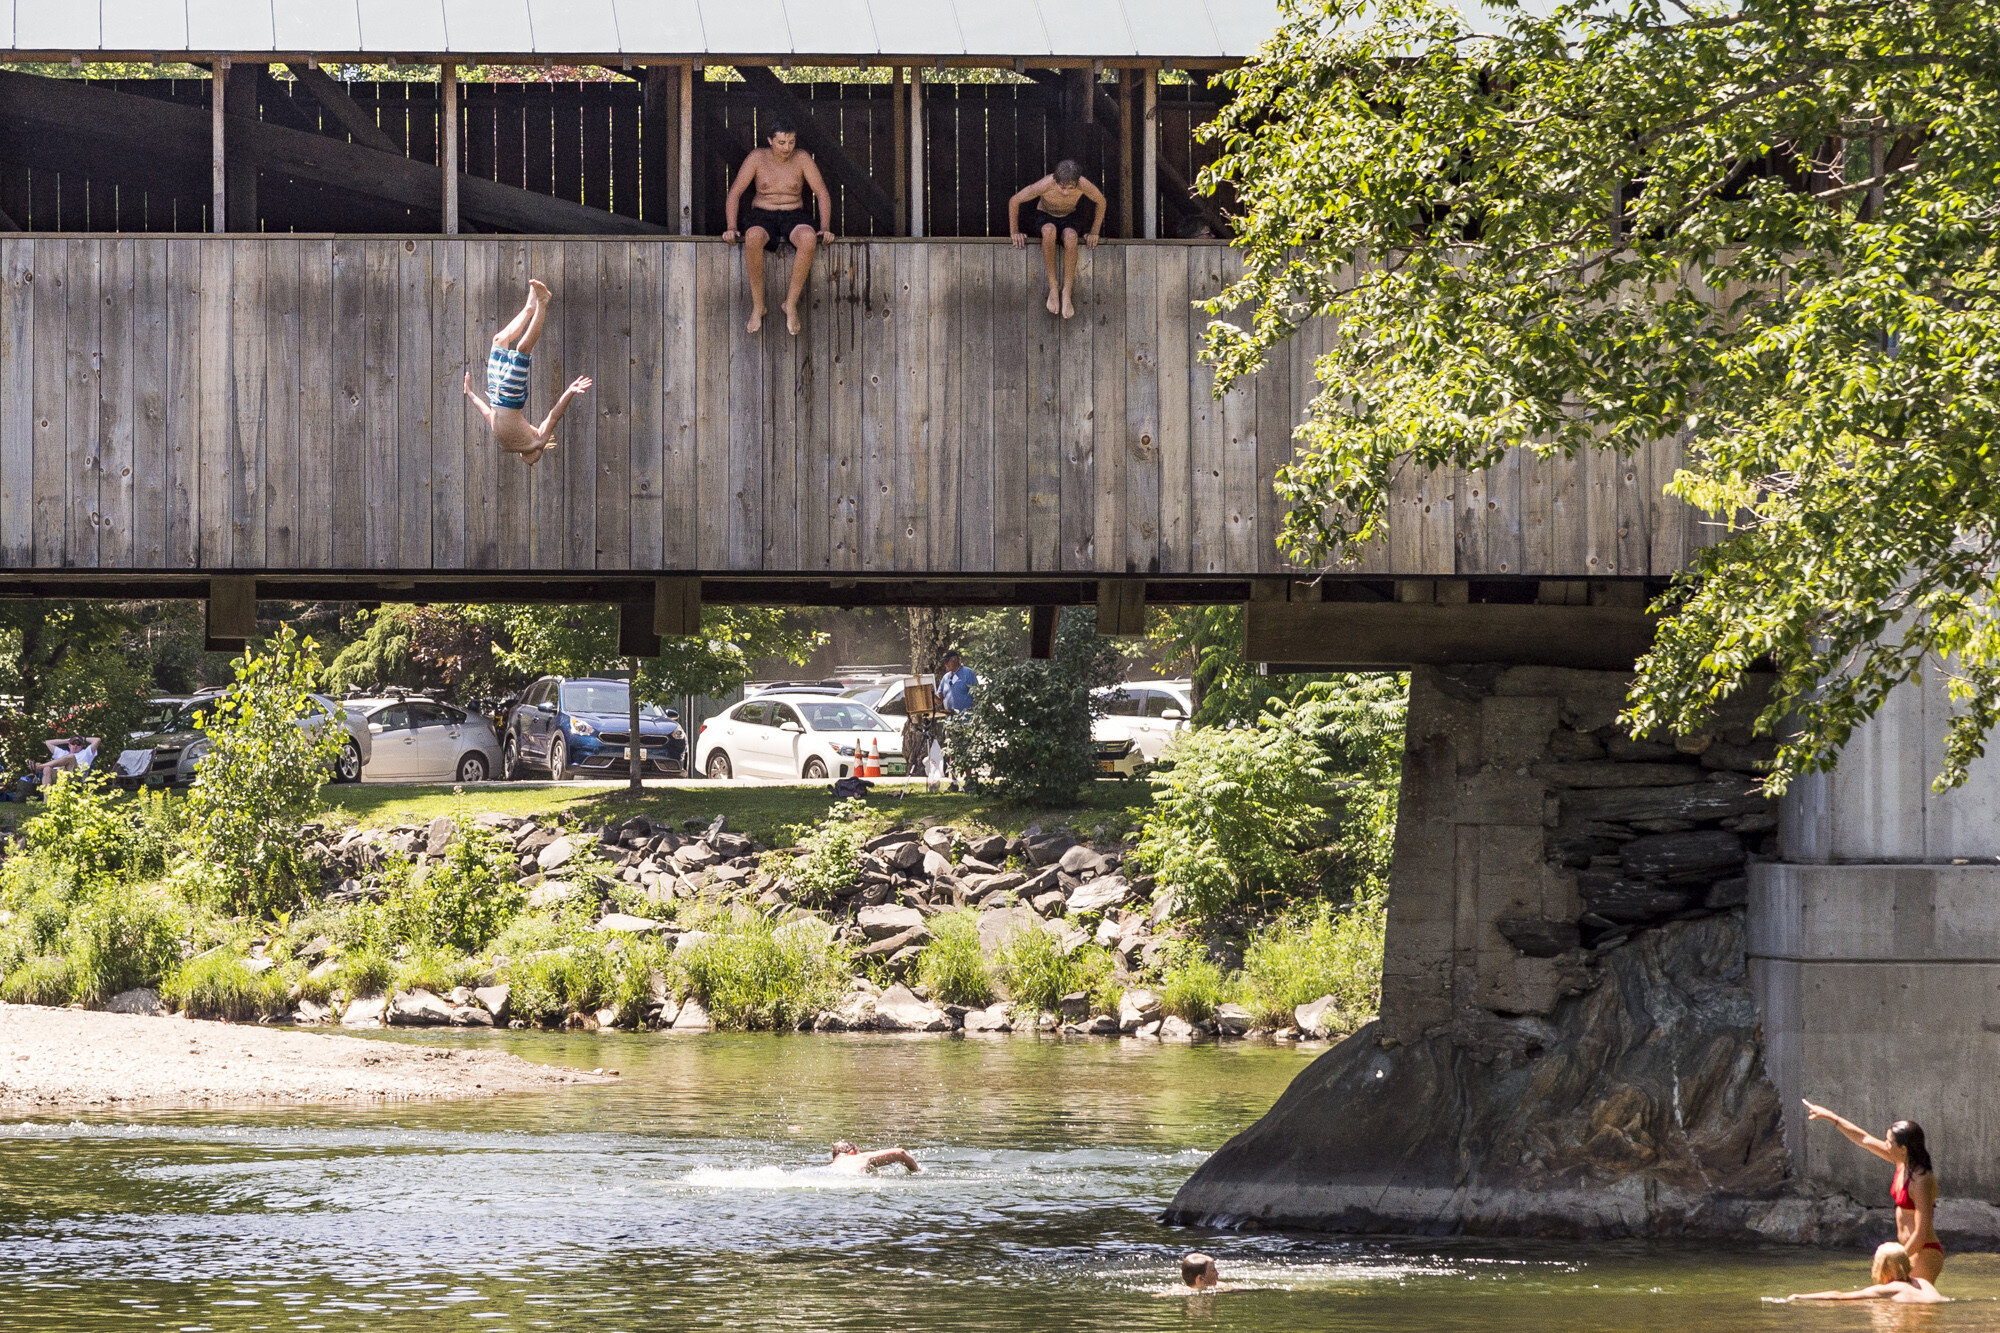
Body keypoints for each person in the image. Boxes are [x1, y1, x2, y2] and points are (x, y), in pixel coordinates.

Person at [1803, 1101, 1945, 1280]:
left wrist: (1896, 1259)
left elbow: (1921, 1232)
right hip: (1906, 1251)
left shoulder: (1921, 1180)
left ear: (1903, 1149)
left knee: (1912, 1305)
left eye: (1889, 1142)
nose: (1885, 1145)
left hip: (1923, 1252)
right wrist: (1830, 1117)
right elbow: (1863, 1139)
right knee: (1893, 1304)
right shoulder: (1901, 1162)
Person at [722, 119, 835, 336]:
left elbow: (821, 192)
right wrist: (731, 226)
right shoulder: (757, 157)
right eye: (782, 142)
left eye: (791, 142)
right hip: (762, 214)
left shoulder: (802, 158)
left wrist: (825, 227)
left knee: (809, 239)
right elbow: (735, 191)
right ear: (770, 141)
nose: (787, 148)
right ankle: (758, 305)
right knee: (753, 237)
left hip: (793, 213)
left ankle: (790, 304)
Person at [462, 279, 593, 467]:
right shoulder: (538, 440)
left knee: (498, 340)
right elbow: (555, 415)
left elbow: (486, 413)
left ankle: (529, 308)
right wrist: (570, 391)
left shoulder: (507, 442)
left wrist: (470, 393)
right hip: (511, 398)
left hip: (495, 394)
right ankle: (542, 303)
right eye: (533, 461)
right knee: (523, 348)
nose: (531, 463)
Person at [1008, 159, 1107, 319]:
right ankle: (1054, 287)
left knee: (1071, 237)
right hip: (1045, 215)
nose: (1066, 192)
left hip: (1069, 216)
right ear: (1056, 180)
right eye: (1062, 187)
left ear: (1077, 182)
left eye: (1070, 188)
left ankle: (1067, 292)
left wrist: (1094, 231)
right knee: (1049, 231)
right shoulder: (1045, 184)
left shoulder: (1083, 184)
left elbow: (1101, 201)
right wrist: (1014, 231)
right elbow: (1014, 201)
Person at [1788, 1241, 1946, 1303]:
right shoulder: (1923, 1282)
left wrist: (1800, 1296)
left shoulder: (1890, 1289)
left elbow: (1840, 1296)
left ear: (1882, 1269)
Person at [821, 1140, 922, 1175]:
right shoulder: (860, 1157)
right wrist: (917, 1171)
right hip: (850, 1178)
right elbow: (901, 1153)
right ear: (852, 1152)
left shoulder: (832, 1165)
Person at [37, 735, 102, 785]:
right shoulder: (62, 752)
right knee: (47, 769)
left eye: (78, 744)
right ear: (69, 745)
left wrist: (83, 738)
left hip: (75, 776)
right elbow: (48, 742)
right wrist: (67, 740)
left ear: (82, 746)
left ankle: (40, 767)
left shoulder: (86, 753)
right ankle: (46, 800)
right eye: (73, 743)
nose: (75, 746)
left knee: (71, 757)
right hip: (58, 775)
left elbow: (97, 740)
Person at [937, 649, 977, 715]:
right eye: (944, 662)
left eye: (947, 661)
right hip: (950, 719)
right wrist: (930, 694)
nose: (945, 664)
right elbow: (939, 699)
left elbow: (977, 694)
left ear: (955, 659)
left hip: (966, 718)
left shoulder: (968, 673)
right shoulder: (945, 677)